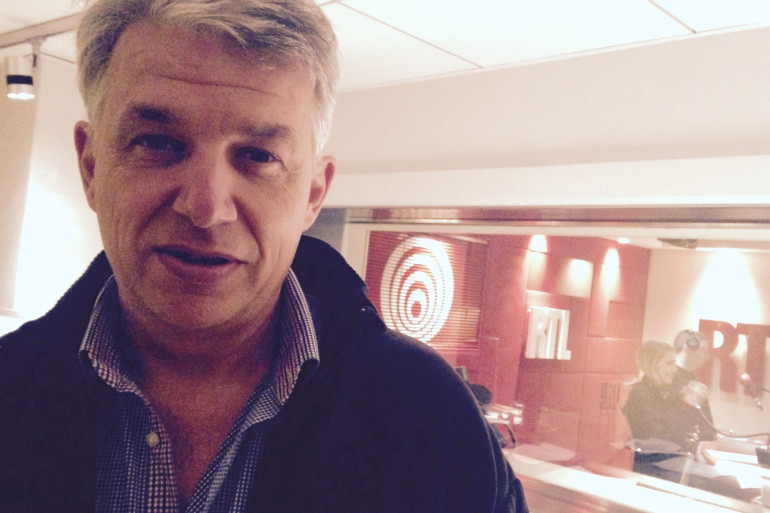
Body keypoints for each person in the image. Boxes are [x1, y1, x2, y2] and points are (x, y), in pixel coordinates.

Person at [0, 1, 528, 512]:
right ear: (91, 167)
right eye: (157, 142)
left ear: (313, 196)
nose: (207, 208)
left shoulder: (432, 419)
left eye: (258, 156)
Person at [671, 329, 718, 441]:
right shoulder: (667, 376)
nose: (706, 356)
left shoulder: (693, 378)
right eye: (703, 350)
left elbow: (707, 425)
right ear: (688, 347)